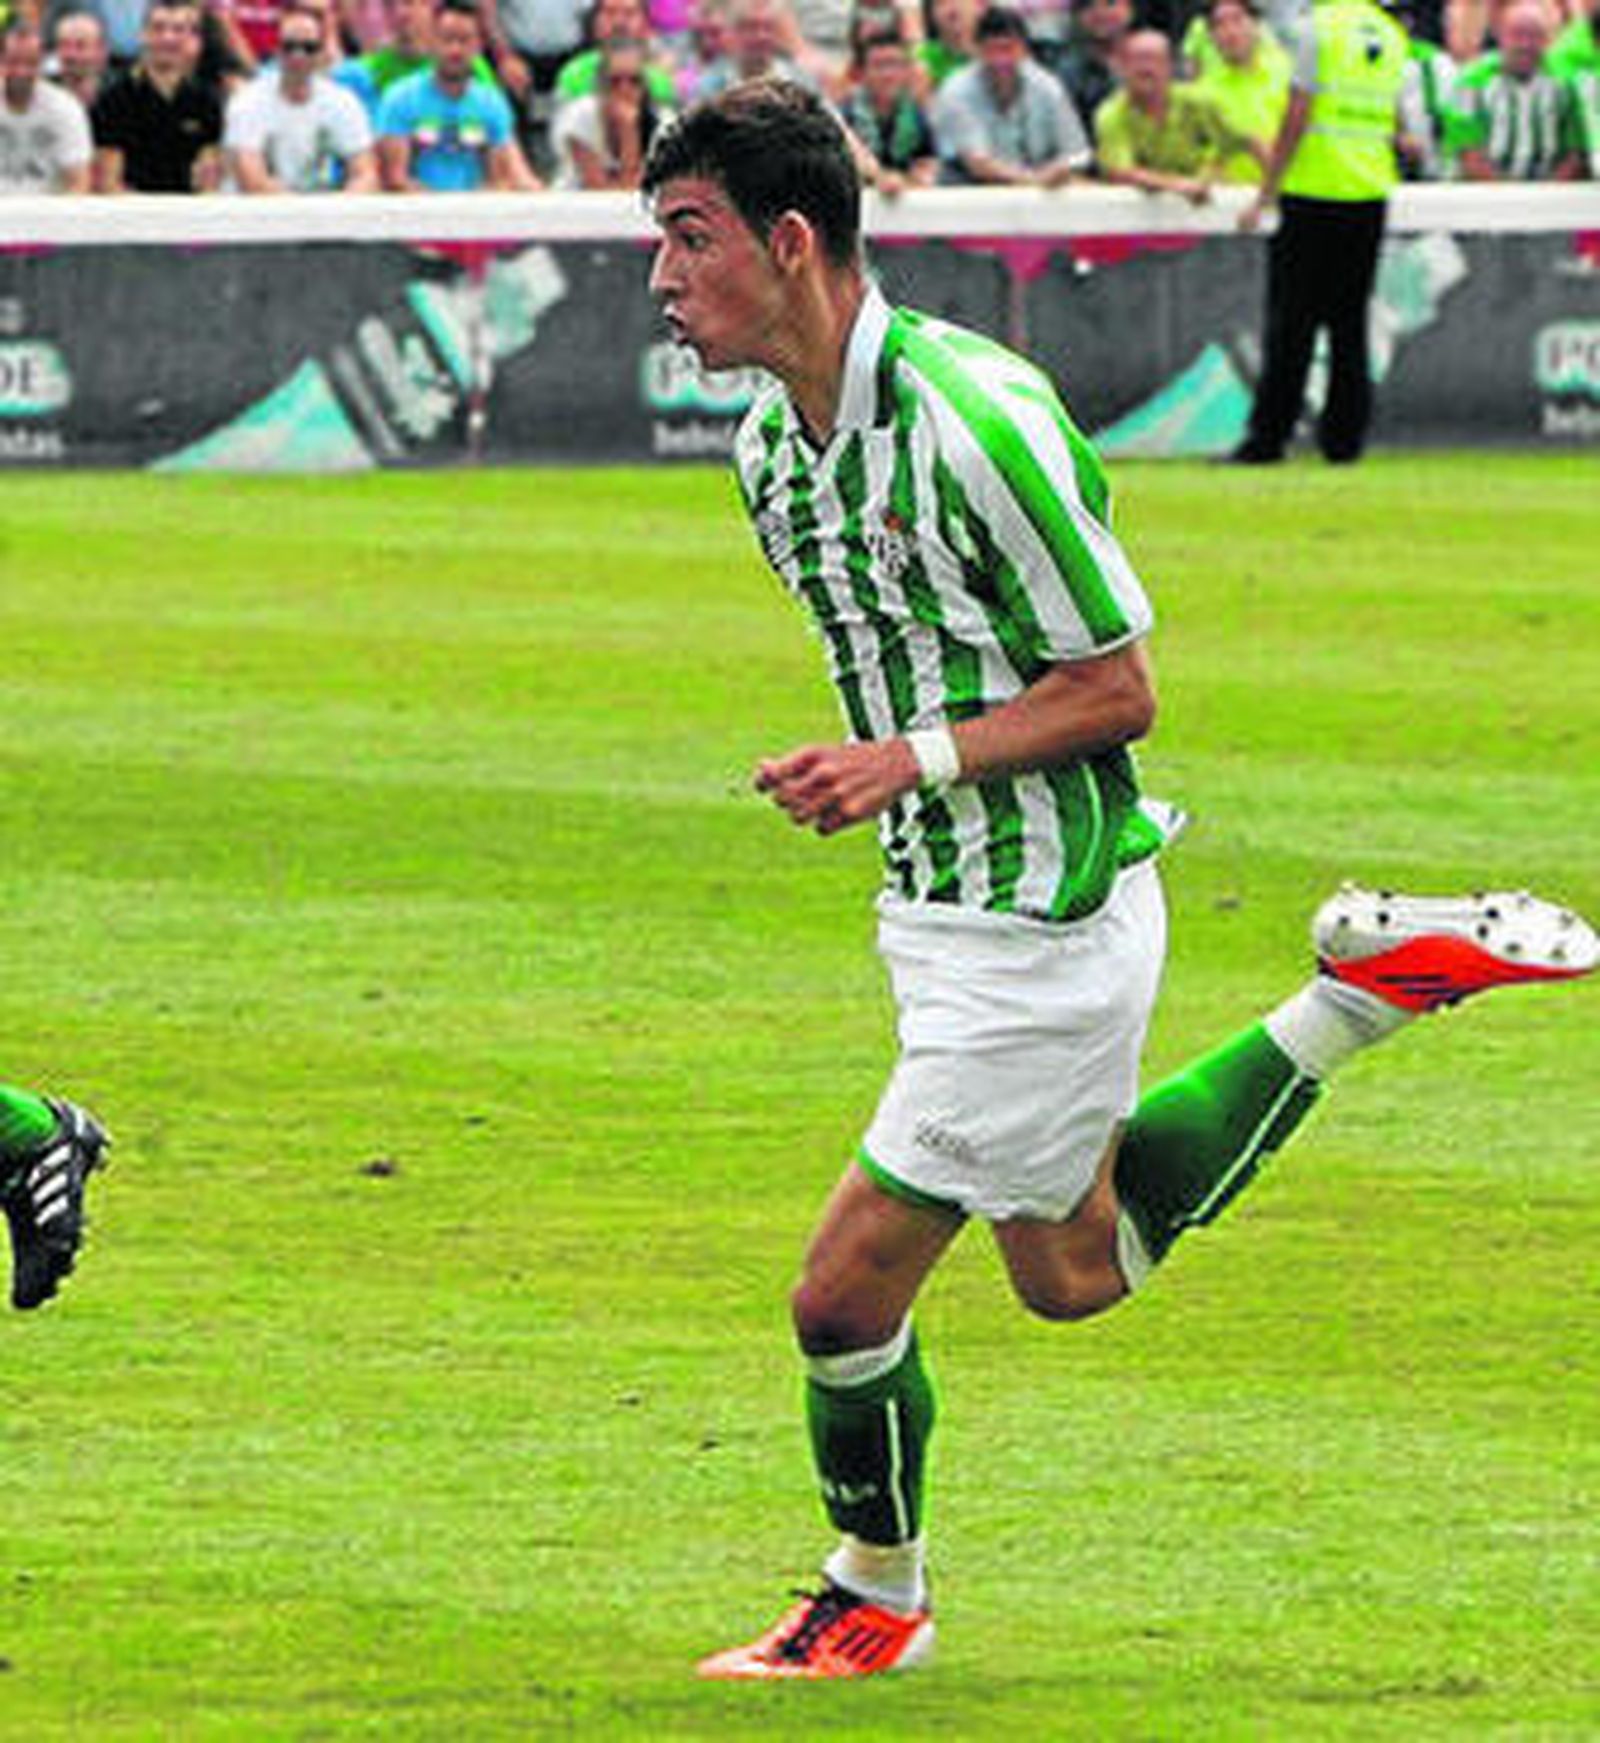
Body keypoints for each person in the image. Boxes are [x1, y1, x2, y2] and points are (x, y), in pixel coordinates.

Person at [641, 76, 1599, 1682]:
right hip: (939, 906)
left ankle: (873, 1589)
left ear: (789, 242)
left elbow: (1120, 687)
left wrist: (904, 761)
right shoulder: (770, 452)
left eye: (687, 239)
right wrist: (893, 778)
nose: (663, 280)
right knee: (1073, 1265)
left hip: (1041, 913)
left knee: (841, 1290)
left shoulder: (980, 420)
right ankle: (1358, 995)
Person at [1229, 0, 1410, 464]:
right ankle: (1344, 441)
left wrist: (1268, 187)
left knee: (1292, 323)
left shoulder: (1318, 29)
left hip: (1313, 188)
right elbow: (1399, 118)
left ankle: (1270, 437)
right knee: (1350, 326)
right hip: (1369, 189)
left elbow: (1299, 110)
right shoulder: (1390, 32)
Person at [376, 0, 541, 185]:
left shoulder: (492, 103)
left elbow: (499, 179)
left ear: (479, 46)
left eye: (464, 41)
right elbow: (396, 178)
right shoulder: (399, 99)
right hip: (416, 208)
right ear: (432, 41)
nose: (455, 50)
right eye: (447, 39)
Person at [931, 3, 1090, 183]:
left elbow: (1078, 152)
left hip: (1039, 177)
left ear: (1024, 49)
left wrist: (1060, 168)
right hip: (974, 182)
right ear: (976, 50)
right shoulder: (956, 90)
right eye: (992, 50)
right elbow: (977, 163)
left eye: (1008, 48)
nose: (1001, 60)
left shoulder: (1047, 85)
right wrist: (1033, 179)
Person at [1093, 25, 1258, 196]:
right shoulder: (1111, 113)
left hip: (1204, 203)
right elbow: (1120, 172)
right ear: (1122, 67)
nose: (1146, 68)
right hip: (1141, 210)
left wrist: (1272, 191)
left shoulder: (1198, 101)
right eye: (1137, 59)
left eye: (1154, 60)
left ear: (1170, 66)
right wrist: (1177, 185)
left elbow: (1249, 140)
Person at [225, 0, 377, 184]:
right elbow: (251, 177)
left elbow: (367, 174)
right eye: (290, 47)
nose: (298, 56)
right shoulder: (248, 101)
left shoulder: (343, 102)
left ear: (321, 52)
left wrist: (338, 208)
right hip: (257, 210)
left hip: (320, 207)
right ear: (277, 50)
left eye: (309, 48)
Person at [91, 0, 225, 189]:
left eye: (178, 30)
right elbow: (109, 183)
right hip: (129, 211)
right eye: (158, 28)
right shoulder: (114, 99)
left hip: (189, 212)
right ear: (142, 35)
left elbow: (208, 181)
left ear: (190, 38)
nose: (168, 38)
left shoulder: (207, 101)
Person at [1445, 0, 1584, 180]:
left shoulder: (1566, 83)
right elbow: (1469, 154)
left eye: (1535, 36)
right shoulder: (1471, 82)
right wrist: (1510, 199)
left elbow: (1576, 153)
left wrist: (1548, 196)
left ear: (1549, 40)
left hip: (1551, 191)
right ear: (1499, 35)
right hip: (1483, 193)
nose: (1525, 45)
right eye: (1517, 35)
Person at [0, 1087, 109, 1311]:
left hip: (53, 1142)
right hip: (10, 1170)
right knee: (28, 1294)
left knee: (56, 1244)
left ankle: (64, 1220)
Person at [1186, 0, 1291, 182]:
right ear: (1211, 37)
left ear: (1257, 27)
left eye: (1238, 20)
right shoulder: (1202, 93)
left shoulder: (1288, 74)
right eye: (1219, 24)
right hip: (1231, 200)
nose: (1230, 31)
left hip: (1289, 194)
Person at [548, 27, 666, 180]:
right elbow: (603, 194)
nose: (625, 90)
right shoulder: (579, 118)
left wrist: (631, 128)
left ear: (646, 87)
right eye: (614, 81)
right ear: (600, 85)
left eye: (634, 81)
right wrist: (628, 131)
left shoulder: (663, 123)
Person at [838, 23, 938, 190]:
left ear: (907, 70)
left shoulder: (918, 115)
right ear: (862, 73)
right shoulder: (846, 115)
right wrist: (880, 178)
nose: (887, 75)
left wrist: (921, 176)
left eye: (894, 64)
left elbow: (928, 162)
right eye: (879, 65)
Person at [0, 15, 92, 188]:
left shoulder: (66, 109)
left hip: (50, 212)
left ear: (42, 63)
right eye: (13, 62)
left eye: (30, 63)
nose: (21, 72)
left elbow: (79, 183)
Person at [1055, 0, 1131, 134]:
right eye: (1088, 5)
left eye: (1110, 3)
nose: (1100, 13)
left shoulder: (1155, 56)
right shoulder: (1067, 74)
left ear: (1129, 7)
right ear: (1078, 16)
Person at [47, 8, 112, 109]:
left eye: (80, 46)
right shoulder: (42, 93)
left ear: (101, 51)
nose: (70, 54)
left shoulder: (120, 97)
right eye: (64, 45)